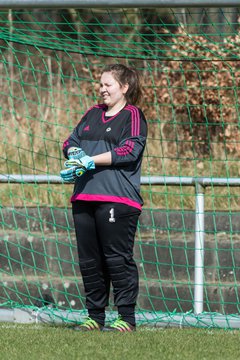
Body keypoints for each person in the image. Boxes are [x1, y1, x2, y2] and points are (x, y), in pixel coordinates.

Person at [60, 63, 148, 332]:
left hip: (118, 200)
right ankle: (95, 317)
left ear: (124, 88)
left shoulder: (133, 115)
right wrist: (75, 155)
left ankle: (126, 320)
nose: (102, 89)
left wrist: (90, 161)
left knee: (117, 259)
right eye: (101, 84)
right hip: (84, 198)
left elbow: (129, 150)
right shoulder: (92, 113)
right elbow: (69, 142)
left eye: (108, 84)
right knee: (90, 261)